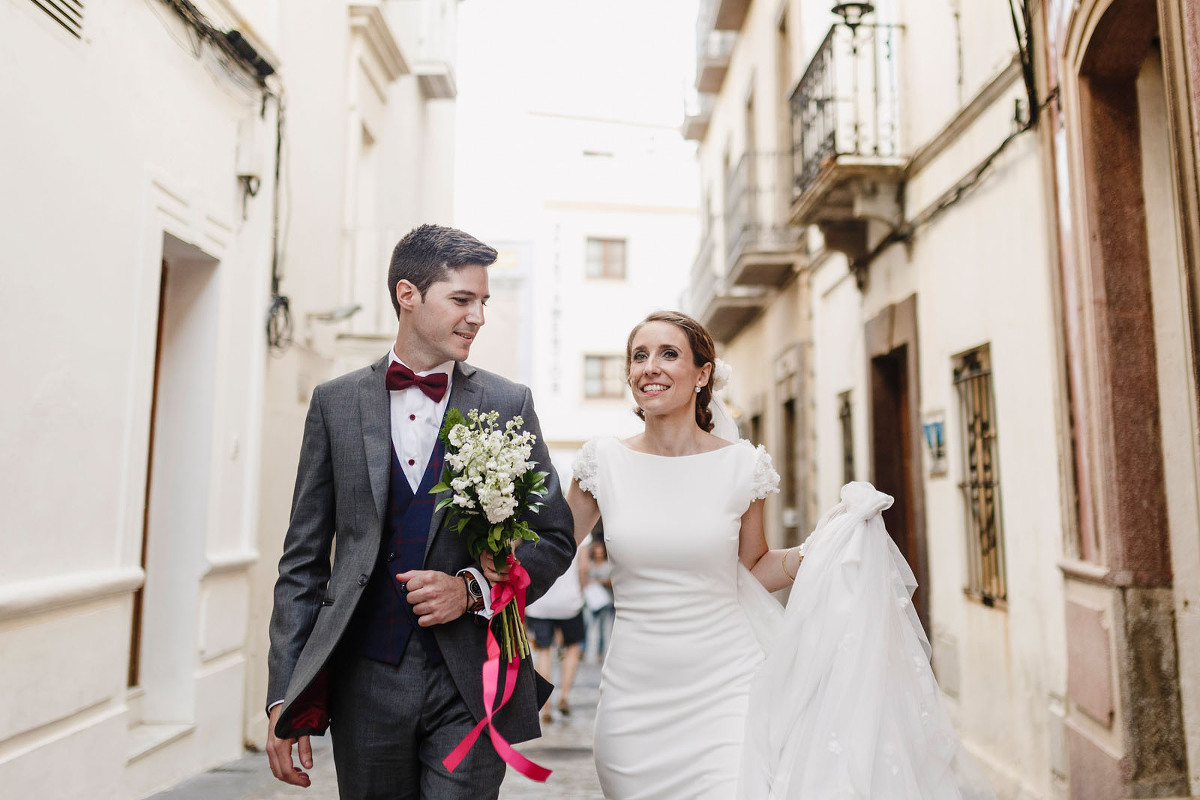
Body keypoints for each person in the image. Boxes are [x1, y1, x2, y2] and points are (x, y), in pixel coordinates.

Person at [567, 310, 995, 799]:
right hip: (633, 700)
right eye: (639, 356)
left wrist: (824, 547)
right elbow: (549, 553)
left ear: (702, 374)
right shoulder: (602, 462)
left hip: (726, 691)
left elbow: (752, 568)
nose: (650, 367)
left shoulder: (742, 466)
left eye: (669, 354)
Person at [265, 224, 576, 800]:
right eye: (462, 299)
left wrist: (474, 588)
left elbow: (554, 538)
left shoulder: (508, 403)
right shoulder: (335, 403)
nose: (478, 317)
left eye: (483, 302)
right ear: (408, 295)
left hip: (472, 680)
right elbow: (303, 562)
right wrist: (286, 692)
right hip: (365, 679)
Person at [524, 546, 586, 721]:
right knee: (572, 648)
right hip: (569, 602)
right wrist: (582, 592)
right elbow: (583, 568)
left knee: (543, 651)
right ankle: (564, 696)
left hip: (541, 602)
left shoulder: (538, 524)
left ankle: (546, 707)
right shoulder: (582, 532)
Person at [579, 537, 614, 662]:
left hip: (607, 602)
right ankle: (591, 656)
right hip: (592, 602)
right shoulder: (589, 565)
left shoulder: (608, 565)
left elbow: (613, 582)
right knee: (592, 629)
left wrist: (601, 582)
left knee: (607, 630)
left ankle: (606, 657)